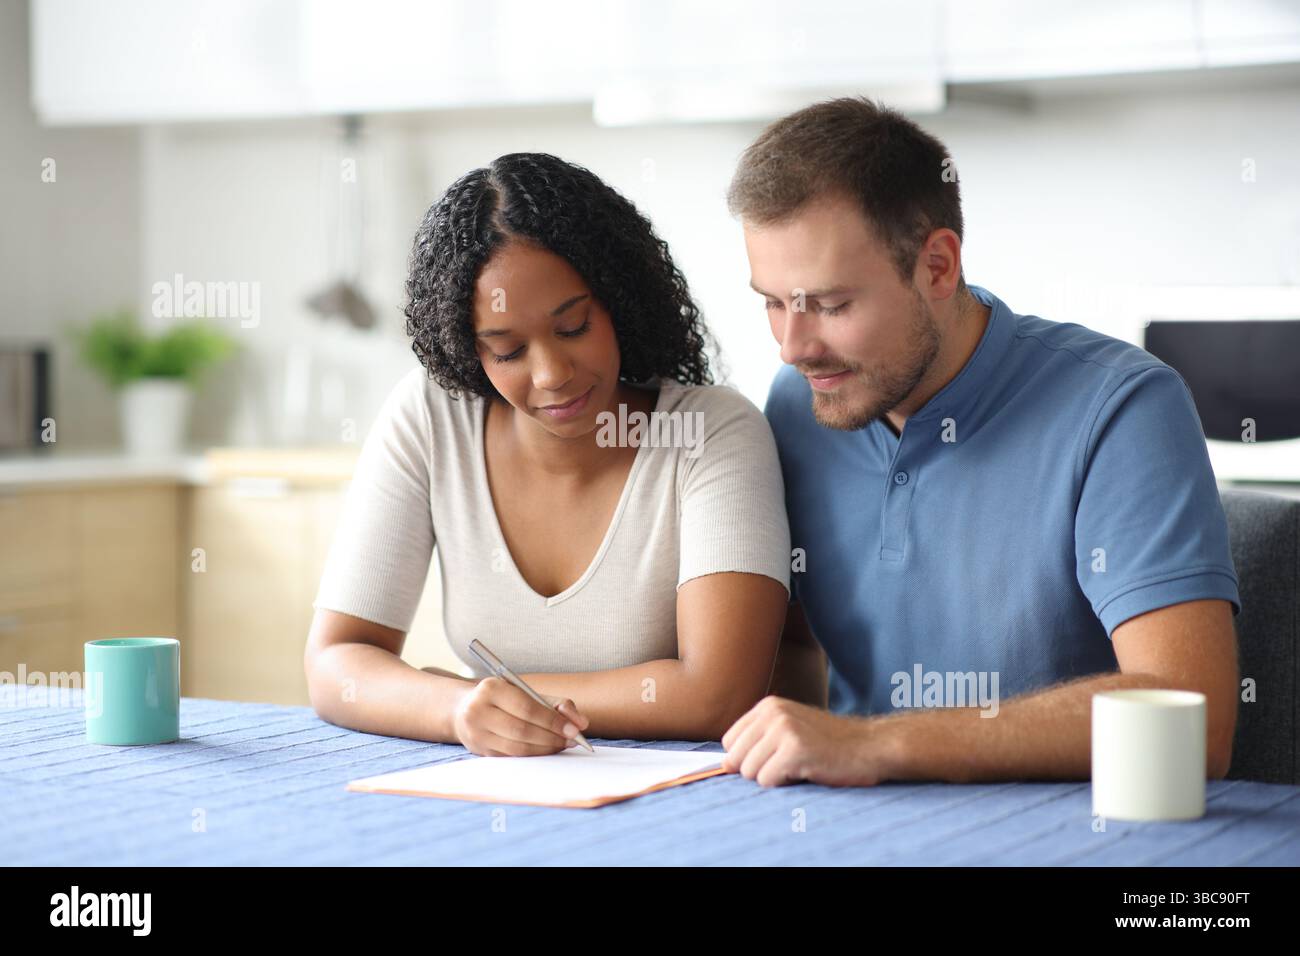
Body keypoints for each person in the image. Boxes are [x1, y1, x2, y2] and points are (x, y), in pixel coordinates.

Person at [719, 97, 1241, 787]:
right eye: (773, 302)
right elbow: (789, 648)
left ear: (937, 266)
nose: (794, 347)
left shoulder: (1122, 408)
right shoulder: (801, 404)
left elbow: (1190, 719)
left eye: (832, 305)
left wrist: (875, 744)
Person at [304, 152, 790, 757]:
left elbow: (719, 694)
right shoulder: (432, 417)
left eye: (574, 327)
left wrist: (489, 695)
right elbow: (335, 662)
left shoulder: (712, 431)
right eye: (506, 351)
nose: (553, 373)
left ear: (619, 301)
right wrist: (457, 710)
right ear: (467, 351)